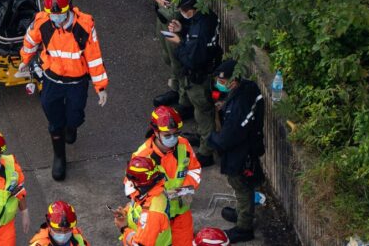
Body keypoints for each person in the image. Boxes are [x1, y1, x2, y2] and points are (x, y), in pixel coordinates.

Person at [19, 0, 108, 180]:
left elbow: (94, 57)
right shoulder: (42, 22)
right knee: (54, 119)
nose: (56, 18)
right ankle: (59, 156)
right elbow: (30, 41)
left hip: (77, 82)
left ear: (69, 8)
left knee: (75, 116)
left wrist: (100, 86)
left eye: (59, 14)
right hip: (52, 79)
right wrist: (25, 60)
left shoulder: (84, 26)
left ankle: (71, 126)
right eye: (52, 14)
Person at [206, 60, 265, 244]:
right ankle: (241, 213)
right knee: (244, 186)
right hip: (250, 143)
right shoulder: (249, 89)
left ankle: (244, 227)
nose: (219, 84)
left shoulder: (238, 106)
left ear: (233, 81)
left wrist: (211, 139)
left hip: (240, 151)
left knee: (241, 186)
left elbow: (227, 138)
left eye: (222, 82)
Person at [128, 106, 202, 246]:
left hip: (181, 213)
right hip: (156, 218)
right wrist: (158, 197)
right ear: (156, 133)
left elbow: (195, 170)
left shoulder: (183, 145)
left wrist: (184, 190)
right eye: (167, 135)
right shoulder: (142, 156)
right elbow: (130, 188)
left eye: (176, 134)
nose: (173, 138)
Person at [164, 0, 222, 165]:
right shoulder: (207, 17)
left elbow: (192, 59)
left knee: (203, 113)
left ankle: (206, 153)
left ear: (190, 9)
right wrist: (184, 29)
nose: (182, 13)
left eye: (183, 10)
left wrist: (179, 42)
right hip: (208, 70)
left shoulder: (200, 29)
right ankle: (204, 139)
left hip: (199, 77)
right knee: (201, 112)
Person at [150, 0, 193, 118]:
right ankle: (175, 89)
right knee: (168, 58)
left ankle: (184, 102)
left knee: (179, 63)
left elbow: (182, 7)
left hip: (173, 24)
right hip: (162, 20)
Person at [113, 156, 171, 246]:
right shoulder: (145, 193)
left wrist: (123, 228)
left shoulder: (153, 213)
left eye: (129, 179)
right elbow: (135, 205)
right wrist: (125, 211)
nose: (126, 182)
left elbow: (139, 244)